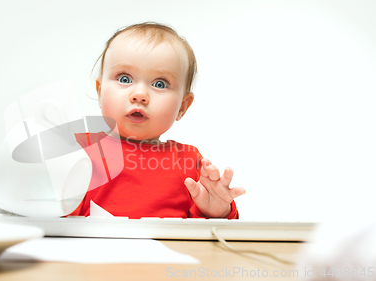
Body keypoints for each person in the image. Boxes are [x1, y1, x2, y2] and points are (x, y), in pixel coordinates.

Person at [67, 22, 246, 219]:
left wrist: (215, 210)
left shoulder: (188, 160)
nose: (140, 95)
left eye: (159, 84)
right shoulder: (78, 150)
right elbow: (54, 220)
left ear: (182, 107)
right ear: (100, 92)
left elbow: (208, 235)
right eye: (124, 79)